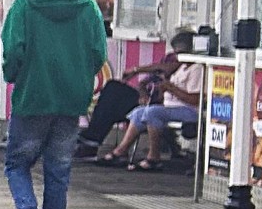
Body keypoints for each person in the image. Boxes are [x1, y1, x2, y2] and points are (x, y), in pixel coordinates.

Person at [0, 0, 107, 209]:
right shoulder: (87, 6)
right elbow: (98, 53)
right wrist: (79, 79)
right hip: (71, 100)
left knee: (17, 164)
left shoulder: (24, 5)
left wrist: (13, 75)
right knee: (58, 172)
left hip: (33, 96)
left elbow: (13, 51)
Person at [82, 30, 195, 161]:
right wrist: (143, 95)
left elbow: (167, 68)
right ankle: (91, 141)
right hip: (147, 99)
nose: (177, 56)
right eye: (176, 52)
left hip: (164, 103)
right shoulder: (170, 57)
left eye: (180, 52)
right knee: (112, 91)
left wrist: (137, 70)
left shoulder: (188, 63)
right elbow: (143, 83)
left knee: (113, 99)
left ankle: (91, 142)